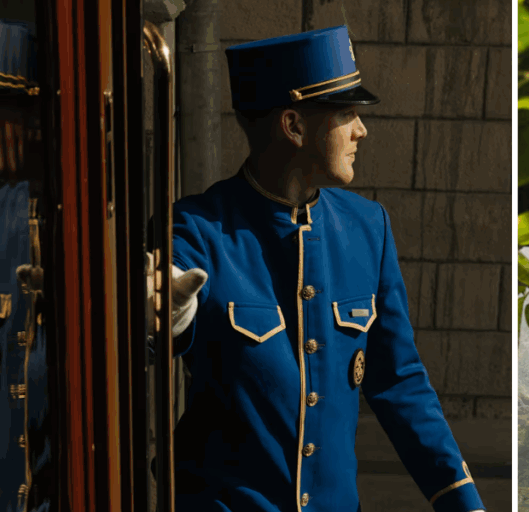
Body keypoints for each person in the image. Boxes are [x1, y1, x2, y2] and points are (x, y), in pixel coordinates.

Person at [145, 25, 486, 512]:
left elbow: (399, 382)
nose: (361, 131)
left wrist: (462, 502)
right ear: (294, 127)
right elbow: (159, 312)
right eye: (347, 113)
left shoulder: (369, 227)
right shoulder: (197, 227)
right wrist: (164, 317)